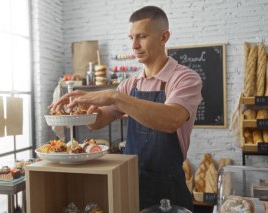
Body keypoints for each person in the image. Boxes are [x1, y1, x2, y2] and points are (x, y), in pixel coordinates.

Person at [51, 5, 201, 211]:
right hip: (129, 182)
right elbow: (99, 122)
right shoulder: (130, 84)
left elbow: (171, 120)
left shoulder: (185, 78)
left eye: (142, 36)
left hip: (168, 187)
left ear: (164, 37)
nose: (134, 45)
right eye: (131, 38)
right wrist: (85, 108)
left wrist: (113, 95)